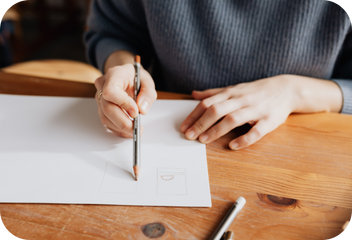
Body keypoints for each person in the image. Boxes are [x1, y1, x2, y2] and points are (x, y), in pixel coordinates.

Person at [84, 0, 352, 150]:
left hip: (307, 146)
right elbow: (112, 32)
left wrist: (294, 92)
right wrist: (124, 66)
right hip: (169, 127)